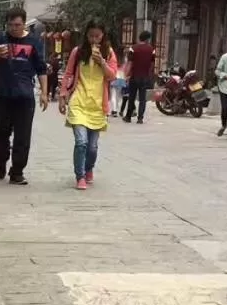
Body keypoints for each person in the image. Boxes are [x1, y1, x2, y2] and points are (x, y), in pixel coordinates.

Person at [0, 9, 48, 185]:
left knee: (23, 136)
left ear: (24, 23)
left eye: (17, 25)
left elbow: (41, 69)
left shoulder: (34, 41)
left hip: (25, 97)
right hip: (2, 95)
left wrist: (44, 93)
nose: (13, 28)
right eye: (10, 25)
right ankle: (0, 162)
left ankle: (17, 172)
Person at [58, 19, 118, 190]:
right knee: (81, 142)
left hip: (97, 105)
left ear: (103, 36)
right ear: (86, 35)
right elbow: (68, 74)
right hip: (79, 101)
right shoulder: (78, 52)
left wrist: (102, 62)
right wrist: (63, 95)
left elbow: (112, 76)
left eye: (97, 36)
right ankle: (80, 176)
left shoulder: (109, 53)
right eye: (91, 36)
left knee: (92, 147)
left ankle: (88, 168)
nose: (94, 39)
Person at [124, 30, 155, 124]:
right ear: (147, 39)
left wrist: (126, 75)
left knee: (132, 97)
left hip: (134, 76)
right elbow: (152, 64)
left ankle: (128, 117)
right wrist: (149, 74)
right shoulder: (151, 49)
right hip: (144, 77)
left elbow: (130, 62)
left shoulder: (133, 48)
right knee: (142, 98)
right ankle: (140, 118)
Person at [112, 48, 131, 117]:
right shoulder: (125, 59)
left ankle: (114, 110)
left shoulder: (114, 57)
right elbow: (126, 69)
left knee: (113, 95)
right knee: (118, 95)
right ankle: (116, 109)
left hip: (114, 76)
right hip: (122, 77)